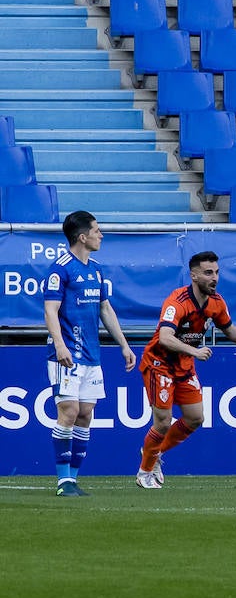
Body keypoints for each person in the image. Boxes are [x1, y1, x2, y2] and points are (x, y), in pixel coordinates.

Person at [136, 251, 236, 488]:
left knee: (195, 418)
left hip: (184, 365)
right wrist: (195, 351)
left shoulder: (217, 302)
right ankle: (145, 471)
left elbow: (229, 329)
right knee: (163, 422)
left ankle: (153, 453)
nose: (214, 278)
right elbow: (165, 337)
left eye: (216, 272)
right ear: (194, 276)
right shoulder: (177, 302)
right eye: (208, 273)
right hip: (159, 364)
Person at [42, 211, 137, 497]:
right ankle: (62, 481)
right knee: (68, 411)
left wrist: (124, 345)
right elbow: (50, 310)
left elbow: (105, 310)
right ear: (82, 237)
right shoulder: (60, 269)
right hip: (68, 352)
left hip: (92, 354)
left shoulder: (95, 269)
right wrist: (59, 345)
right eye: (97, 230)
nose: (101, 235)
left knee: (85, 414)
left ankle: (73, 478)